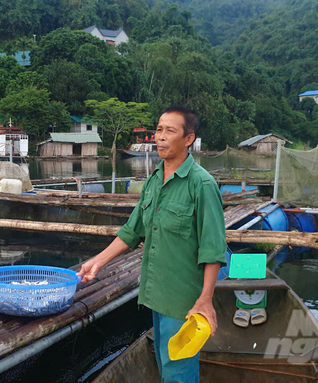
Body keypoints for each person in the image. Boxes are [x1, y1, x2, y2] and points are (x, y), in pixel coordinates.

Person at [77, 106, 227, 383]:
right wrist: (97, 261)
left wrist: (205, 299)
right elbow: (133, 231)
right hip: (156, 294)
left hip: (184, 301)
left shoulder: (202, 185)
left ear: (188, 139)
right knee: (163, 362)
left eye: (170, 131)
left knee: (178, 374)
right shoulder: (154, 181)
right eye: (158, 129)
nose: (160, 136)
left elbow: (213, 248)